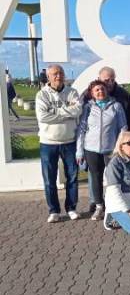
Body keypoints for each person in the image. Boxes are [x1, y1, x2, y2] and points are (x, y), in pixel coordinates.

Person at [35, 64, 82, 223]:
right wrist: (66, 113)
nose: (58, 76)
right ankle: (54, 210)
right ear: (48, 77)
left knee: (72, 177)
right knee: (49, 179)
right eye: (54, 74)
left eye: (60, 73)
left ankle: (71, 208)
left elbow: (78, 110)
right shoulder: (42, 95)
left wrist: (55, 112)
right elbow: (43, 117)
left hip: (69, 141)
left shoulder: (72, 92)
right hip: (48, 143)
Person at [80, 66, 130, 213]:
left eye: (112, 79)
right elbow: (82, 123)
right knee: (94, 175)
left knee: (113, 176)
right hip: (92, 146)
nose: (110, 82)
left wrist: (121, 144)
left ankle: (112, 202)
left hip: (112, 146)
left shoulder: (121, 96)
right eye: (106, 79)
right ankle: (95, 202)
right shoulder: (88, 98)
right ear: (99, 79)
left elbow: (124, 123)